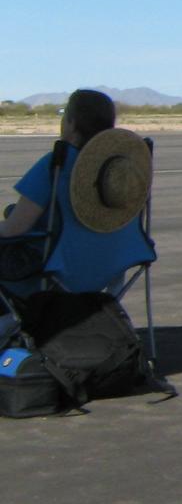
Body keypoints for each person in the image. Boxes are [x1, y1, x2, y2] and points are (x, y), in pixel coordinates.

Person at [1, 90, 155, 341]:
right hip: (112, 265)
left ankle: (11, 327)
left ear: (71, 124)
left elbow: (14, 230)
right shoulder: (122, 169)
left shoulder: (57, 164)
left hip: (59, 274)